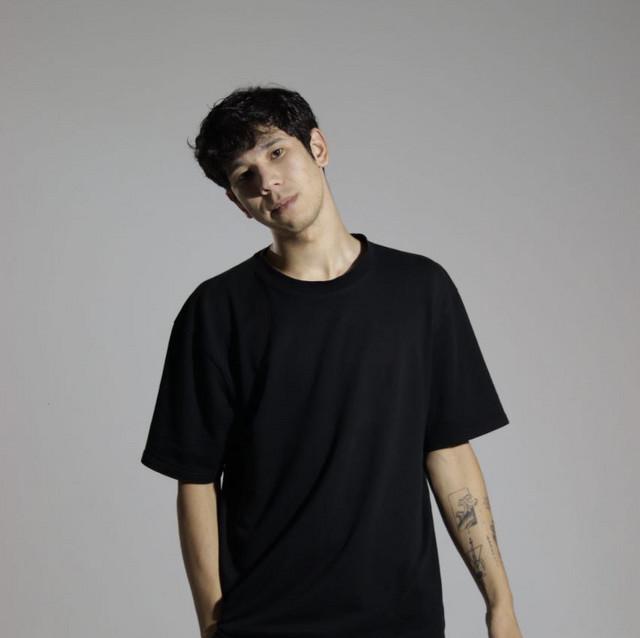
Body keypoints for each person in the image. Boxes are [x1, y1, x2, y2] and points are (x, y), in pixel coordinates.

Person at [140, 84, 523, 638]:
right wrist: (211, 624)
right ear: (237, 202)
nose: (268, 182)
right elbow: (196, 480)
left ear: (317, 147)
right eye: (244, 176)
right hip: (265, 620)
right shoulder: (216, 311)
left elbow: (448, 449)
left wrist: (500, 604)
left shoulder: (419, 290)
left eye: (277, 152)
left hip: (402, 619)